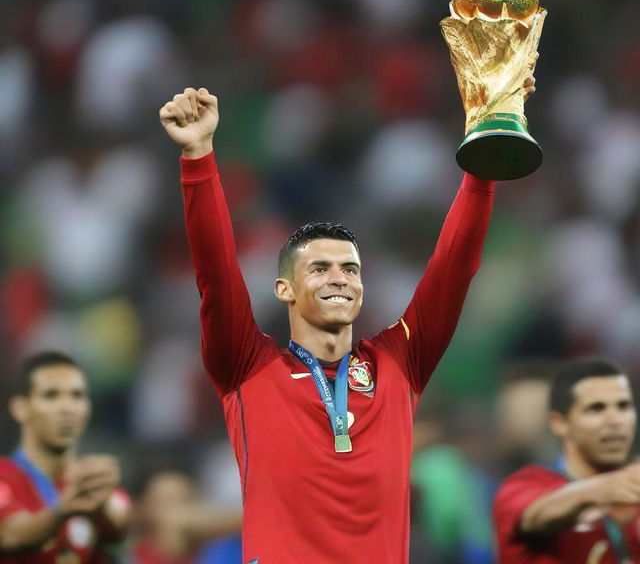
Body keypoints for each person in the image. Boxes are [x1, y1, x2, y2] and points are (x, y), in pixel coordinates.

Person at [159, 83, 514, 563]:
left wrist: (482, 170)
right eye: (319, 269)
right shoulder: (246, 366)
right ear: (283, 288)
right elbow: (216, 277)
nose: (340, 279)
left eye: (351, 269)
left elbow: (453, 271)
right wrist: (198, 157)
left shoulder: (399, 361)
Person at [493, 356, 640, 563]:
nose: (615, 420)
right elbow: (537, 515)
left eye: (623, 406)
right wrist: (600, 490)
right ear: (559, 424)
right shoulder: (525, 485)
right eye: (596, 408)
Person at [0, 351, 130, 563]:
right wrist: (63, 510)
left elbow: (123, 529)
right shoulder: (4, 476)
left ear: (87, 407)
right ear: (20, 408)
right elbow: (10, 535)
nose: (67, 408)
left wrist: (103, 507)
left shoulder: (93, 482)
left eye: (77, 396)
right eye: (51, 395)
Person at [130, 465, 242, 564]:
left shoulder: (224, 552)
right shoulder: (128, 557)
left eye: (185, 501)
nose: (179, 513)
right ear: (142, 508)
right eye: (166, 503)